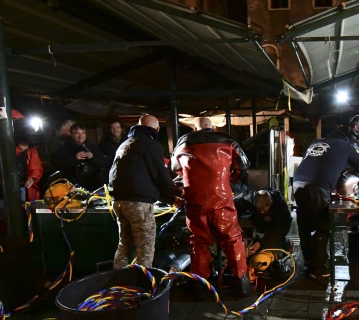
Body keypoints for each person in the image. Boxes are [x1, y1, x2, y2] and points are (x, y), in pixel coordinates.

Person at [170, 117, 254, 295]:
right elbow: (244, 166)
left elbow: (175, 169)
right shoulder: (227, 141)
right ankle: (242, 282)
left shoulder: (181, 145)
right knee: (231, 238)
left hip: (194, 201)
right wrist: (228, 181)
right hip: (221, 198)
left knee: (198, 241)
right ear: (213, 127)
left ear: (195, 129)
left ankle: (201, 285)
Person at [292, 128, 359, 281]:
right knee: (323, 226)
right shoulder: (345, 145)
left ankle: (308, 261)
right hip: (317, 187)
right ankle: (318, 269)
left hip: (297, 183)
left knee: (305, 224)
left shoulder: (315, 142)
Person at [109, 115, 182, 269]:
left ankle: (118, 282)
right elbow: (160, 176)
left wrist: (171, 200)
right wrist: (179, 192)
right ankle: (142, 287)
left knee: (124, 245)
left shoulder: (126, 144)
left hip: (118, 203)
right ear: (157, 129)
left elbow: (143, 180)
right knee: (145, 250)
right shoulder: (150, 144)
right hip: (138, 206)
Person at [53, 122, 110, 190]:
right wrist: (75, 158)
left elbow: (103, 164)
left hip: (92, 186)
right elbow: (58, 164)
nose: (81, 136)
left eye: (83, 133)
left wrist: (92, 158)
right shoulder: (64, 148)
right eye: (77, 133)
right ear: (71, 134)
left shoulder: (92, 147)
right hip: (72, 186)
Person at [236, 188, 292, 254]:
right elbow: (235, 207)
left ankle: (286, 243)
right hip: (260, 221)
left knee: (272, 247)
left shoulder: (280, 205)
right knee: (242, 222)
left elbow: (279, 229)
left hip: (279, 226)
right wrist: (235, 222)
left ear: (270, 203)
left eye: (264, 210)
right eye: (259, 210)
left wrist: (261, 243)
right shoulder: (250, 199)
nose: (262, 212)